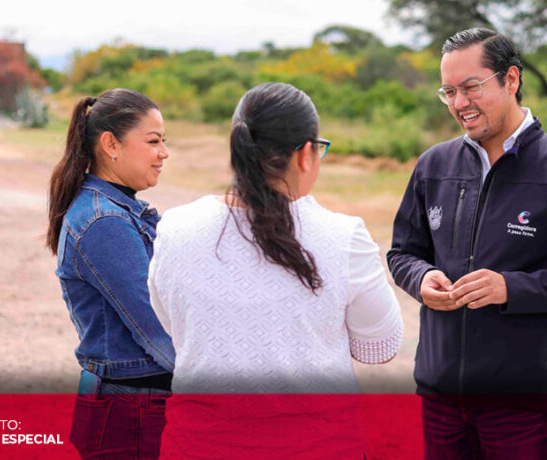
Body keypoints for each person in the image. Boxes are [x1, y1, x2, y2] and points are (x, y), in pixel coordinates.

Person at [387, 28, 547, 458]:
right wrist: (421, 279)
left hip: (517, 401)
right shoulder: (433, 166)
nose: (459, 103)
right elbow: (402, 253)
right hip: (438, 393)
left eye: (471, 87)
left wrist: (510, 288)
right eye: (449, 91)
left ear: (511, 79)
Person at [148, 82, 404, 458]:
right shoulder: (343, 237)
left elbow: (174, 325)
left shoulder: (174, 227)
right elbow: (380, 347)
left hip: (198, 446)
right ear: (304, 154)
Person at [46, 88, 174, 459]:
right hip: (131, 411)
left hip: (129, 405)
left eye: (164, 141)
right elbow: (155, 327)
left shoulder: (118, 208)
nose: (164, 153)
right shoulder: (104, 220)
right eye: (153, 141)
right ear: (111, 144)